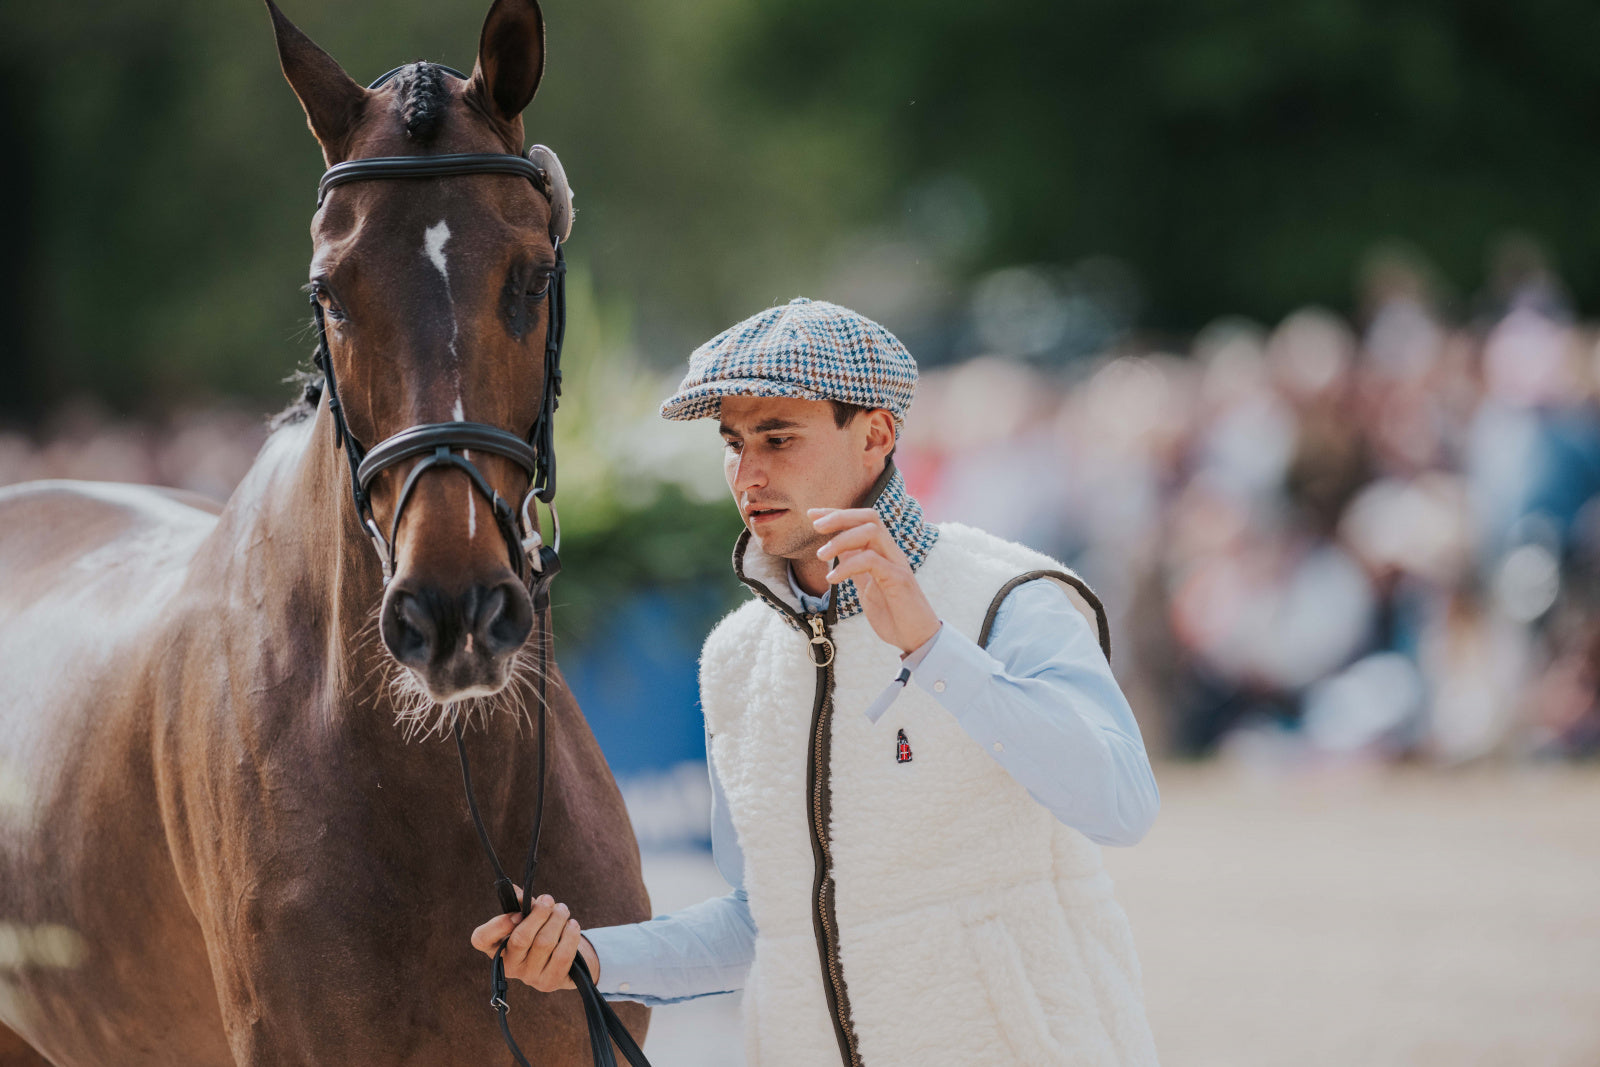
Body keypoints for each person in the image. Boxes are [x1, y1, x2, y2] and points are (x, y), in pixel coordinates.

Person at [471, 298, 1162, 1066]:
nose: (749, 472)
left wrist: (932, 648)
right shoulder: (735, 658)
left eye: (779, 437)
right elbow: (764, 921)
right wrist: (590, 959)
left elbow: (1121, 804)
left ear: (875, 435)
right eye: (733, 442)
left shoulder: (1011, 593)